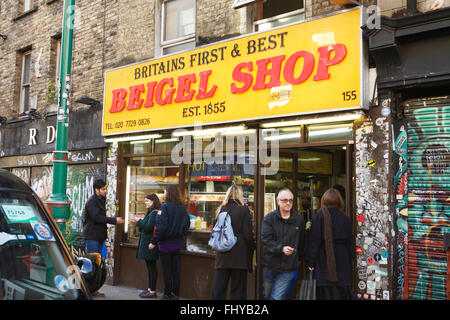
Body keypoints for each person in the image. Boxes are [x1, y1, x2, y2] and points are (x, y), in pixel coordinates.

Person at [305, 188, 355, 300]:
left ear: (324, 200)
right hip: (342, 259)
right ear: (339, 201)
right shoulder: (345, 218)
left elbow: (314, 242)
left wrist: (310, 261)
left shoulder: (319, 217)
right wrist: (350, 258)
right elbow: (350, 241)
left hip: (324, 260)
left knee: (325, 293)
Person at [211, 185, 255, 300]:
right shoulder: (244, 209)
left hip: (222, 256)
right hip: (239, 257)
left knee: (218, 292)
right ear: (240, 195)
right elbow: (248, 235)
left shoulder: (221, 209)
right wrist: (253, 247)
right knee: (238, 292)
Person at [261, 188, 306, 300]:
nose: (288, 203)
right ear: (278, 201)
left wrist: (299, 258)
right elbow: (266, 239)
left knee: (276, 297)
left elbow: (302, 241)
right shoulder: (269, 218)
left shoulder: (299, 219)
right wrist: (281, 248)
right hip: (270, 265)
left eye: (291, 200)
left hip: (289, 267)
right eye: (285, 200)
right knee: (267, 295)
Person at [83, 178, 124, 297]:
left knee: (98, 265)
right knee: (91, 265)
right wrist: (114, 220)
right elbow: (96, 218)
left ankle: (93, 290)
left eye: (106, 189)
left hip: (99, 237)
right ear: (97, 190)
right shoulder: (92, 202)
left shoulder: (100, 200)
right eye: (103, 189)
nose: (106, 191)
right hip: (92, 238)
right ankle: (87, 290)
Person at [149, 185, 190, 300]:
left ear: (168, 193)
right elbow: (187, 223)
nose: (164, 193)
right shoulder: (182, 207)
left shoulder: (165, 207)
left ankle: (167, 294)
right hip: (177, 244)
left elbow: (160, 227)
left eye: (165, 191)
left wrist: (153, 241)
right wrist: (180, 234)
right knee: (175, 270)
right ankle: (175, 293)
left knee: (167, 270)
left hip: (166, 244)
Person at [133, 194, 161, 298]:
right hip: (147, 244)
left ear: (153, 201)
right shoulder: (150, 212)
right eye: (145, 201)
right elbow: (144, 227)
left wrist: (138, 221)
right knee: (150, 267)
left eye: (147, 201)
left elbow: (148, 227)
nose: (145, 203)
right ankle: (150, 289)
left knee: (152, 268)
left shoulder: (154, 213)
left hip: (150, 244)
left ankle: (152, 291)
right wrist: (140, 222)